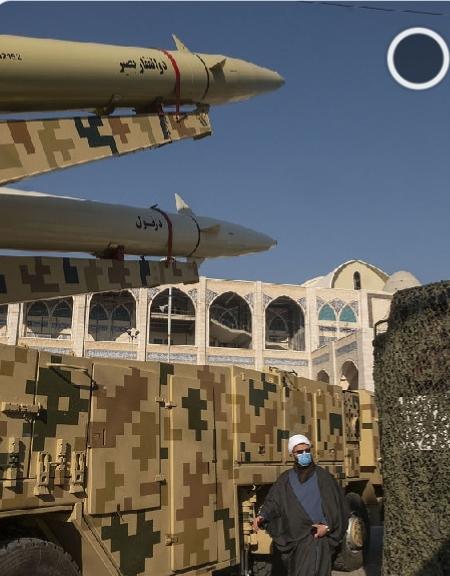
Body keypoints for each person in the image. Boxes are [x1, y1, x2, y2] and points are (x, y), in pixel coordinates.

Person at [252, 434, 348, 576]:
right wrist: (262, 516)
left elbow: (337, 507)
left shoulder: (323, 478)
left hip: (315, 539)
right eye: (300, 452)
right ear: (292, 454)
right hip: (294, 540)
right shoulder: (285, 479)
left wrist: (327, 527)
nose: (304, 454)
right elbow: (273, 501)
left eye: (307, 451)